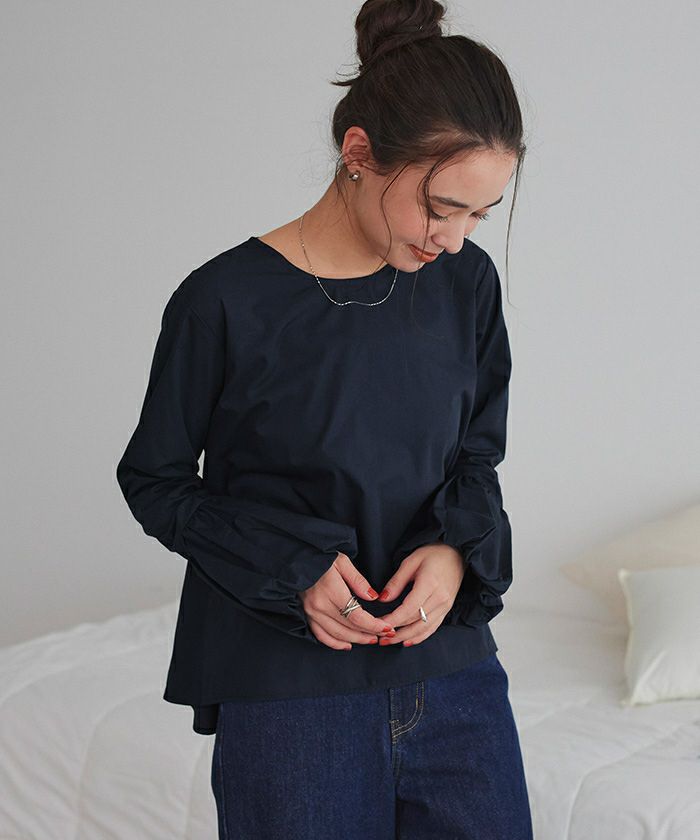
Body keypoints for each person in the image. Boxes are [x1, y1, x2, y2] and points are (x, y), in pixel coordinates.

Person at [115, 0, 534, 837]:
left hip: (455, 677)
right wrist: (293, 570)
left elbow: (475, 457)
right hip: (289, 696)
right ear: (359, 154)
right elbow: (155, 481)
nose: (454, 239)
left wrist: (455, 552)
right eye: (440, 207)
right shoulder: (224, 300)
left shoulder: (466, 285)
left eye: (479, 215)